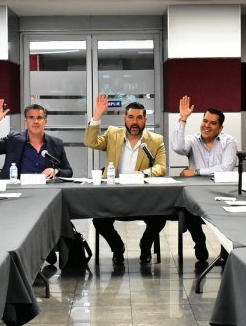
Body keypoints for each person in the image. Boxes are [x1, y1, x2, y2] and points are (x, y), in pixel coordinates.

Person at [85, 94, 167, 264]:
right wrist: (97, 115)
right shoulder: (113, 134)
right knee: (99, 221)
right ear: (125, 119)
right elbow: (90, 142)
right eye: (130, 117)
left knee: (159, 218)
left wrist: (145, 173)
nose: (134, 122)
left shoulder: (156, 140)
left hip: (142, 197)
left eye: (139, 118)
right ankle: (117, 247)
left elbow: (161, 167)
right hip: (113, 195)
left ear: (145, 120)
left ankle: (145, 246)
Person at [171, 95, 237, 262]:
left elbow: (226, 169)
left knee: (229, 217)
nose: (207, 125)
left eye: (212, 123)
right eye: (205, 121)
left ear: (220, 128)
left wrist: (195, 172)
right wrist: (183, 119)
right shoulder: (192, 140)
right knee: (189, 212)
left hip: (221, 192)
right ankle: (199, 242)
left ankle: (225, 251)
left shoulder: (229, 142)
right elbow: (177, 147)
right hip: (197, 193)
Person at [0, 100, 73, 179]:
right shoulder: (13, 140)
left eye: (39, 118)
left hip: (46, 189)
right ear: (26, 122)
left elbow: (68, 171)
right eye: (31, 117)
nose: (35, 121)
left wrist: (56, 171)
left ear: (45, 122)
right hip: (17, 189)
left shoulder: (56, 143)